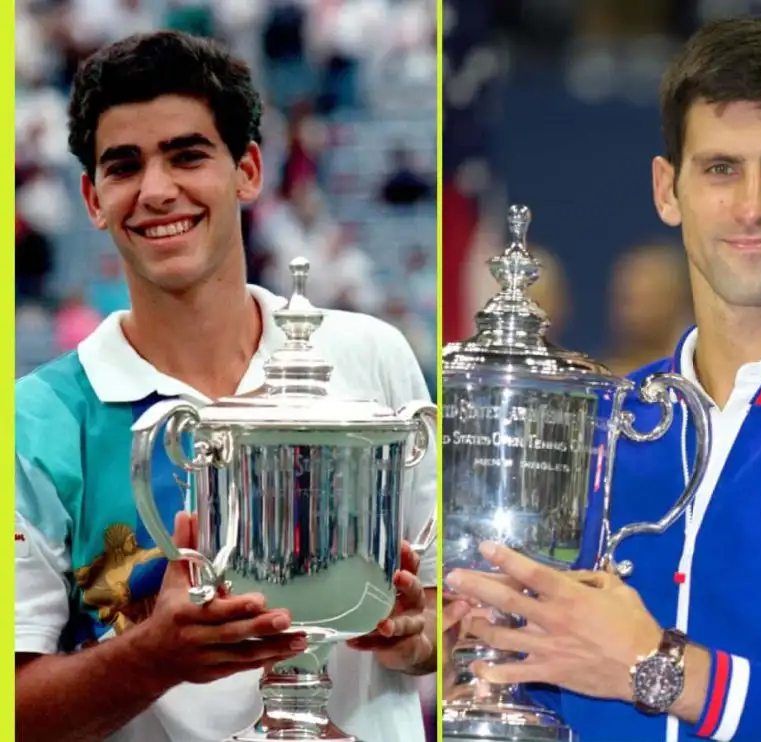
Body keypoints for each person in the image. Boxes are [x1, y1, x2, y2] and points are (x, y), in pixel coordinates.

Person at [443, 16, 761, 742]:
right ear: (666, 189)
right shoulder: (594, 429)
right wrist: (486, 642)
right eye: (719, 169)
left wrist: (663, 669)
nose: (751, 206)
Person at [15, 31, 439, 742]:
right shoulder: (36, 421)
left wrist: (419, 635)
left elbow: (451, 612)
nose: (156, 191)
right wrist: (153, 658)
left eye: (186, 155)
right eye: (125, 167)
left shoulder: (370, 355)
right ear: (92, 198)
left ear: (247, 171)